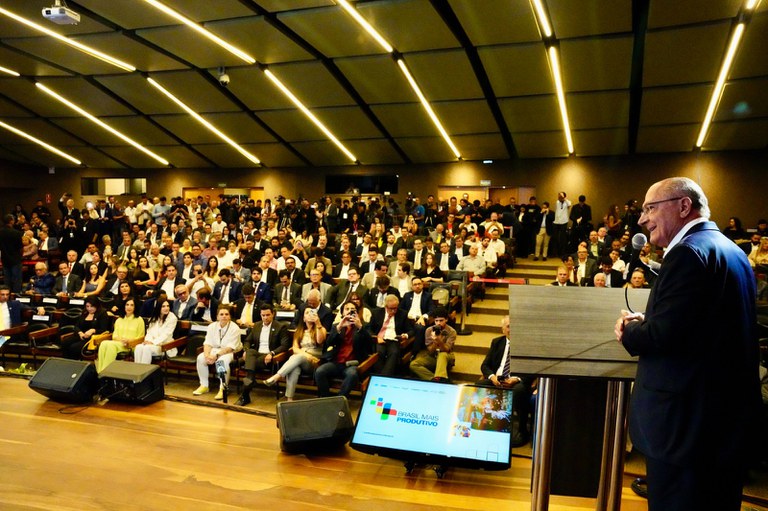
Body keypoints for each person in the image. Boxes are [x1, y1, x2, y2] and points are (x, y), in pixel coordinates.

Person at [615, 177, 760, 511]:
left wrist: (629, 330)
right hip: (722, 423)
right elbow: (702, 325)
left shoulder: (687, 254)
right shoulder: (730, 250)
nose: (642, 219)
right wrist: (652, 319)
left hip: (685, 430)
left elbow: (661, 337)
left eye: (651, 208)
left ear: (683, 206)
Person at [476, 315, 533, 446]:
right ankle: (484, 424)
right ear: (503, 329)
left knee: (519, 390)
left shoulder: (526, 345)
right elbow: (485, 366)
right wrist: (492, 377)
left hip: (516, 382)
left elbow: (531, 369)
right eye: (508, 326)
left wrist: (515, 379)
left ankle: (522, 430)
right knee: (479, 384)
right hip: (497, 379)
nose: (511, 329)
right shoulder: (497, 342)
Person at [264, 307, 327, 401]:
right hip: (302, 359)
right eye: (307, 313)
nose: (310, 314)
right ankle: (289, 399)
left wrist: (318, 323)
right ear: (304, 318)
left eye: (312, 312)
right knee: (294, 368)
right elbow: (295, 348)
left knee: (297, 357)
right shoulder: (299, 331)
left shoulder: (321, 329)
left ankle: (277, 376)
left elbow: (320, 340)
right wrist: (307, 355)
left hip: (314, 363)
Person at [235, 303, 291, 406]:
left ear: (273, 314)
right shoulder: (257, 325)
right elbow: (247, 341)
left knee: (247, 361)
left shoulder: (280, 327)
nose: (265, 317)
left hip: (269, 358)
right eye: (263, 315)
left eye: (268, 315)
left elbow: (285, 345)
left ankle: (245, 394)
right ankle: (250, 380)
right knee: (250, 352)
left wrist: (272, 353)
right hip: (256, 354)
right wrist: (246, 350)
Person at [315, 300, 373, 397]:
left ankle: (339, 399)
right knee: (320, 371)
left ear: (357, 313)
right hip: (336, 362)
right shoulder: (336, 326)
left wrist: (360, 327)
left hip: (353, 363)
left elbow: (369, 344)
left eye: (353, 309)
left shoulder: (364, 326)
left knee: (352, 374)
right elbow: (329, 343)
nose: (349, 311)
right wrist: (339, 327)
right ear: (342, 313)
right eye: (347, 309)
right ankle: (325, 399)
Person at [193, 306, 243, 400]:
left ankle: (223, 388)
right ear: (217, 317)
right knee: (200, 358)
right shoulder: (211, 326)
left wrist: (216, 356)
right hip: (214, 349)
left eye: (226, 314)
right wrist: (207, 355)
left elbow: (230, 347)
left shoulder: (235, 328)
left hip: (230, 352)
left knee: (221, 362)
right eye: (221, 314)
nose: (224, 316)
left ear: (230, 316)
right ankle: (204, 385)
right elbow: (207, 343)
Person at [366, 294, 412, 375]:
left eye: (395, 308)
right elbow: (369, 329)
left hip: (394, 339)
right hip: (380, 339)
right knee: (379, 353)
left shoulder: (403, 314)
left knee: (394, 353)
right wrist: (376, 338)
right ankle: (381, 376)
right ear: (386, 306)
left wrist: (405, 335)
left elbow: (411, 330)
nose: (394, 311)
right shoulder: (376, 313)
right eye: (391, 308)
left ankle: (384, 376)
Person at [95, 298, 145, 373]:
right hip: (119, 343)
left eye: (132, 305)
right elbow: (114, 336)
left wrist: (129, 341)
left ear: (135, 307)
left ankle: (106, 372)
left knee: (110, 345)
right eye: (127, 305)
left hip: (131, 345)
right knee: (103, 343)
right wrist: (122, 340)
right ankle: (100, 371)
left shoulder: (139, 320)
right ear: (124, 306)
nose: (129, 307)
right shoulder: (119, 320)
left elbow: (140, 338)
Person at [409, 307, 456, 382]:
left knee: (442, 354)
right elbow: (430, 351)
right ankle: (435, 380)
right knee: (414, 364)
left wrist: (439, 340)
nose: (438, 323)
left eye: (441, 320)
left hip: (447, 357)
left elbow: (446, 349)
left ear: (446, 320)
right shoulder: (429, 330)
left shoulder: (451, 331)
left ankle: (439, 378)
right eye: (436, 321)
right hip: (433, 356)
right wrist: (434, 341)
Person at [133, 297, 178, 364]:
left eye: (167, 306)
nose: (166, 308)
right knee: (138, 347)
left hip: (165, 346)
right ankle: (137, 367)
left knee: (146, 348)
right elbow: (149, 332)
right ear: (158, 307)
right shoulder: (154, 317)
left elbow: (166, 334)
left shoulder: (172, 318)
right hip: (152, 343)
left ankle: (145, 369)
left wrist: (153, 342)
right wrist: (148, 341)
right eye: (163, 306)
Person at [0, 214, 23, 293]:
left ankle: (6, 295)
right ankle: (16, 295)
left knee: (7, 280)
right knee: (17, 279)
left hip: (5, 259)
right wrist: (20, 256)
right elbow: (21, 248)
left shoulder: (0, 232)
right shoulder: (16, 233)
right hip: (15, 259)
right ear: (11, 221)